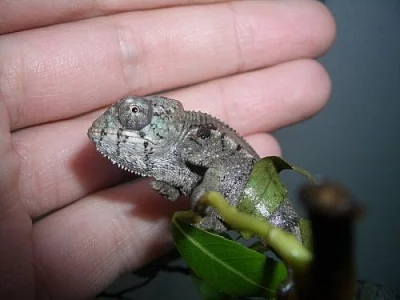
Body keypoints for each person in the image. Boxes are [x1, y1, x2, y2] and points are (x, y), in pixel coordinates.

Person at [0, 0, 335, 298]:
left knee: (304, 258)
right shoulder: (176, 149)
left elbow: (217, 168)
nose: (131, 120)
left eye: (134, 115)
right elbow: (187, 181)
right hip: (240, 209)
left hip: (258, 198)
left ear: (167, 120)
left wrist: (200, 197)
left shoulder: (193, 138)